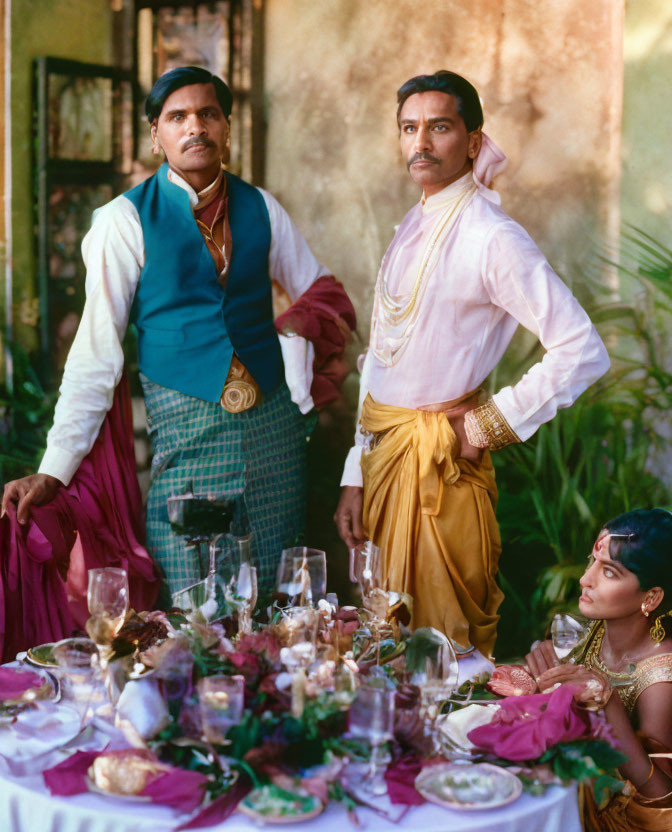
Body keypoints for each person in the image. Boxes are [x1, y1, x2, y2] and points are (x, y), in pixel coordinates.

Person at [2, 66, 355, 598]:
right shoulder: (121, 222)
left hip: (276, 443)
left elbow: (323, 292)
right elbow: (96, 355)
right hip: (190, 441)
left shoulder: (262, 207)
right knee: (196, 614)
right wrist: (54, 469)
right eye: (178, 117)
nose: (196, 127)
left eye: (208, 114)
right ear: (156, 134)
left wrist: (292, 334)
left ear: (226, 126)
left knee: (281, 609)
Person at [334, 70, 609, 658]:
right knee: (385, 651)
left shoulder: (492, 235)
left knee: (441, 658)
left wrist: (482, 426)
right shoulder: (415, 223)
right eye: (409, 129)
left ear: (474, 141)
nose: (421, 143)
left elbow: (582, 348)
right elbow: (380, 356)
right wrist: (354, 473)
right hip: (384, 464)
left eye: (439, 127)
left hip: (441, 474)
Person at [527, 508, 672, 831]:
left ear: (651, 597)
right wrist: (549, 663)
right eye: (591, 562)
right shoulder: (594, 629)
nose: (584, 579)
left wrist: (610, 707)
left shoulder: (660, 682)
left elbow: (663, 802)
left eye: (608, 572)